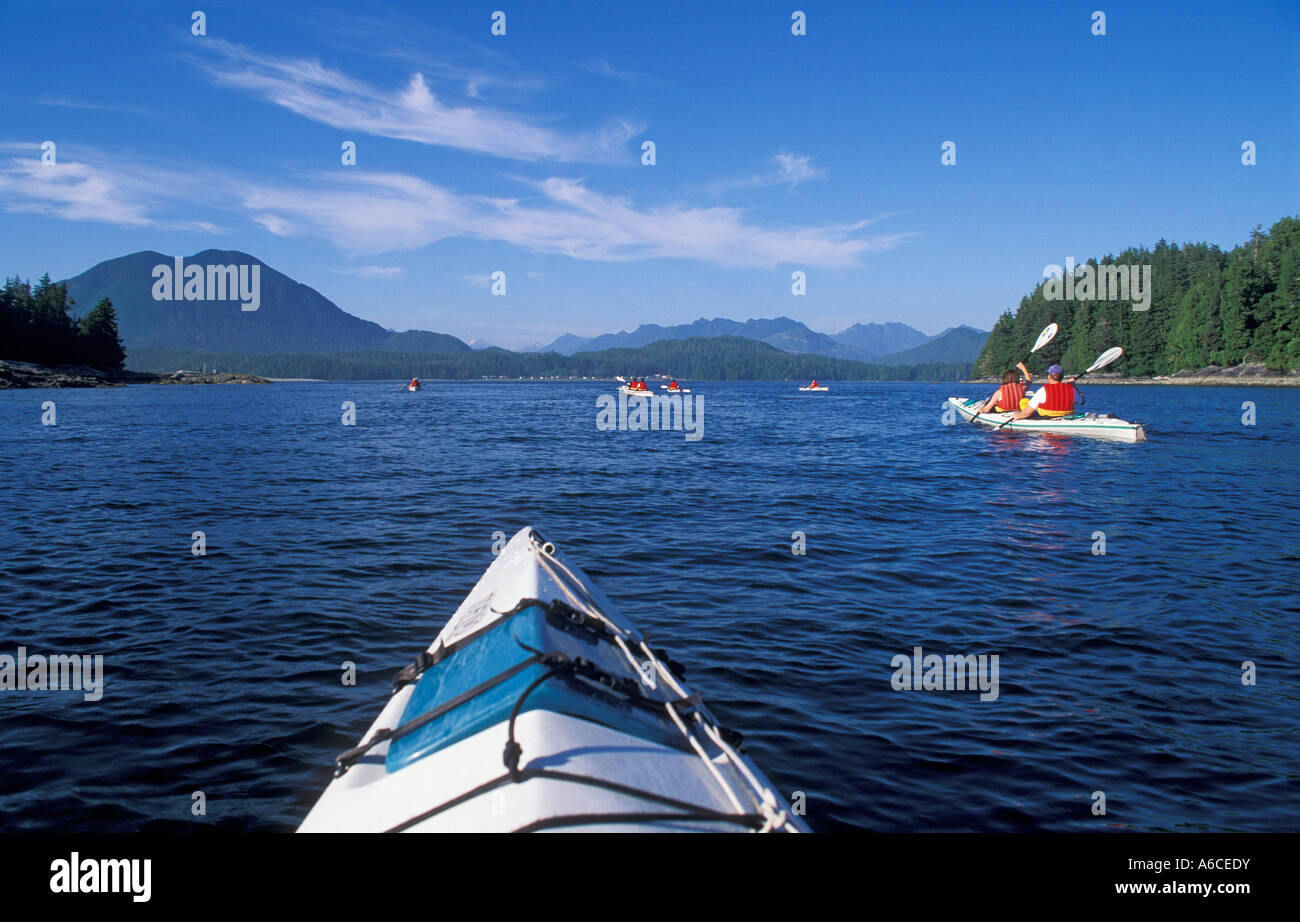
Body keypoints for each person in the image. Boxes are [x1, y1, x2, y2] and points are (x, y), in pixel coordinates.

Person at [1010, 364, 1078, 419]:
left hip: (1047, 416)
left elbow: (1027, 413)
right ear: (1062, 377)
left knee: (1024, 401)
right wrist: (1074, 386)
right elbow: (1082, 401)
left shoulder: (1043, 390)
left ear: (1050, 377)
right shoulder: (1071, 388)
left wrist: (1018, 415)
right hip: (1066, 415)